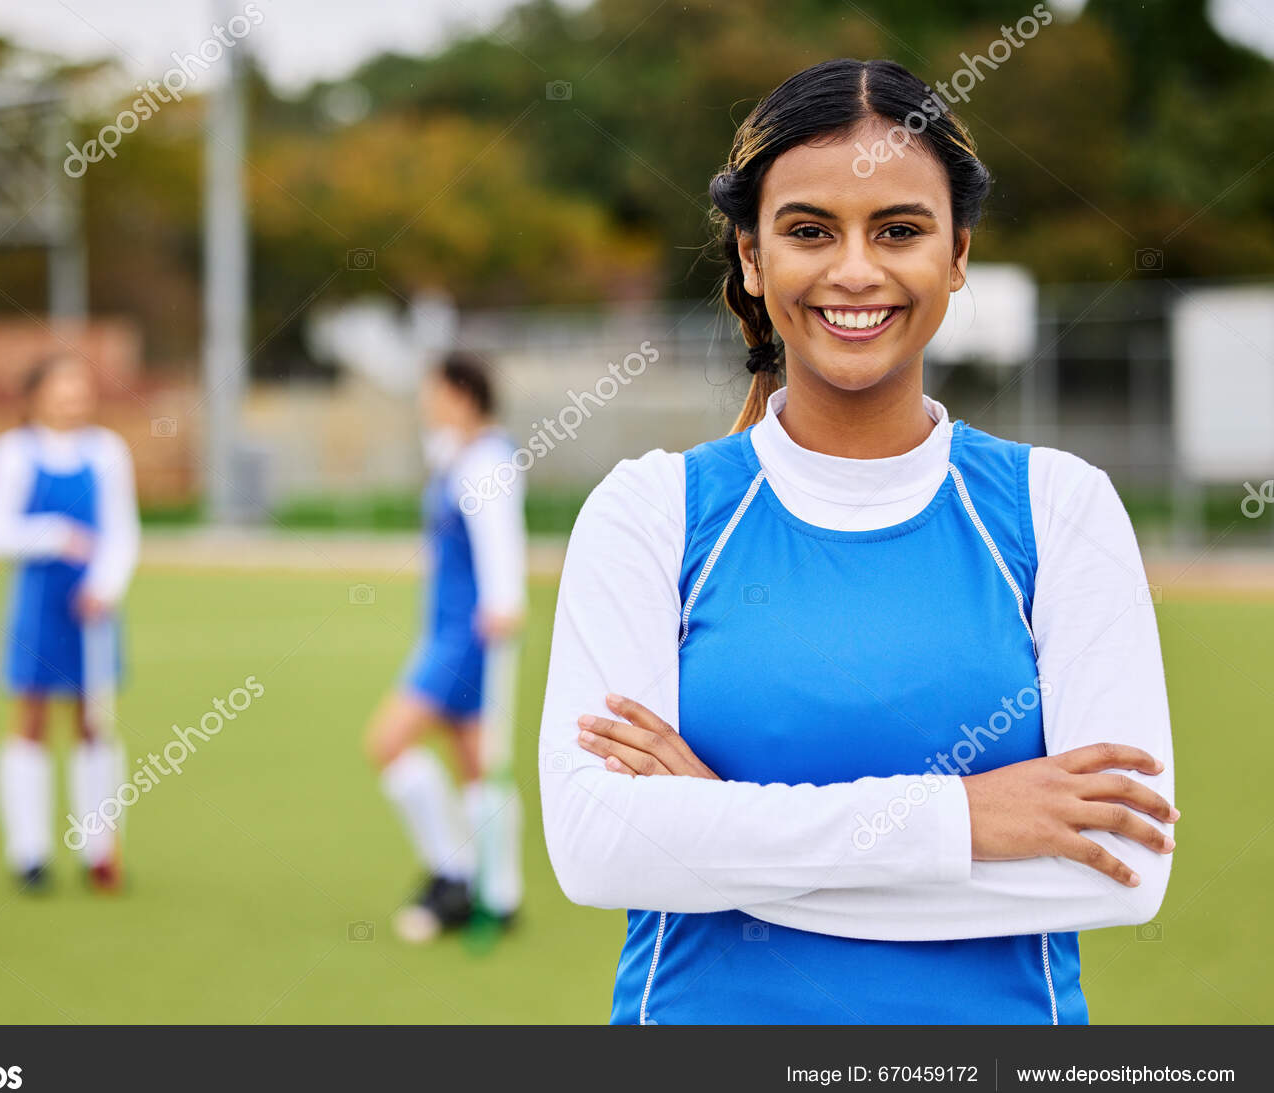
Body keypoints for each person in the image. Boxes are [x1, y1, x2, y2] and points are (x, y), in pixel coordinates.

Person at [538, 58, 1178, 1024]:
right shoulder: (649, 513)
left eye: (900, 230)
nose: (855, 271)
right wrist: (968, 820)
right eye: (808, 230)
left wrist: (715, 831)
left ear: (958, 253)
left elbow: (1121, 868)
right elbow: (598, 848)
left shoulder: (1061, 509)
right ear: (752, 258)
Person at [366, 353, 528, 942]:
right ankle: (500, 893)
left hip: (467, 634)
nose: (423, 401)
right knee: (473, 759)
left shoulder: (486, 461)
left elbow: (499, 541)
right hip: (443, 627)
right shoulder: (452, 452)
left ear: (461, 394)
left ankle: (455, 874)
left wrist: (506, 605)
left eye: (433, 391)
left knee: (388, 743)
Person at [0, 354, 139, 892]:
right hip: (38, 604)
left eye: (81, 387)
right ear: (35, 395)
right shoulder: (12, 452)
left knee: (95, 724)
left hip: (92, 610)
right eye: (62, 387)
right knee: (32, 720)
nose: (74, 397)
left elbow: (122, 531)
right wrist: (55, 536)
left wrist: (104, 587)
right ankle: (31, 853)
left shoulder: (109, 450)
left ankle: (100, 848)